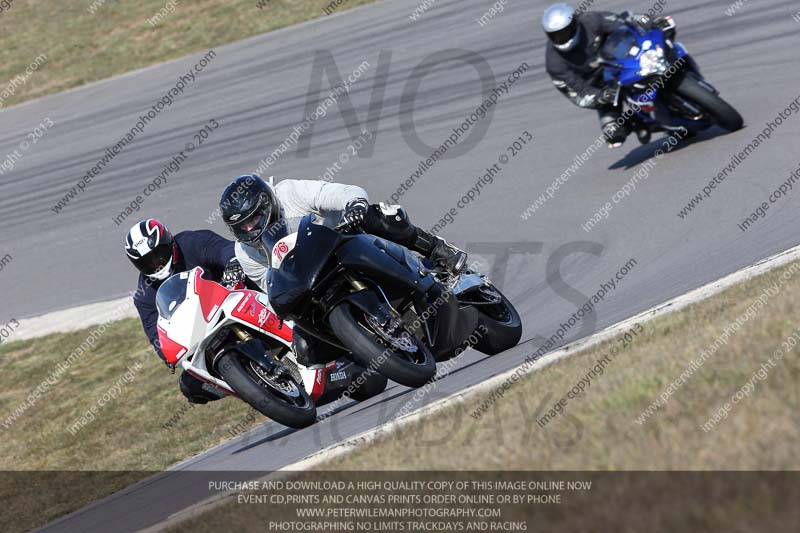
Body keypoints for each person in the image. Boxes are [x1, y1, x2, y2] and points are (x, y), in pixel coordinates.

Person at [217, 175, 468, 365]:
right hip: (312, 285)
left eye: (254, 219)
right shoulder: (244, 251)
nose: (250, 229)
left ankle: (437, 251)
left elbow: (341, 192)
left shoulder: (288, 192)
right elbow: (270, 287)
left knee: (380, 214)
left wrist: (354, 206)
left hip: (344, 243)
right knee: (304, 350)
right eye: (242, 226)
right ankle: (355, 362)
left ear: (267, 203)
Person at [125, 218, 245, 403]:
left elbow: (224, 249)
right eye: (147, 262)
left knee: (263, 278)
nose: (156, 263)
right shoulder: (144, 296)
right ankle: (249, 388)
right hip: (203, 336)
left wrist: (233, 263)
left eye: (159, 255)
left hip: (234, 299)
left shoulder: (192, 241)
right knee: (191, 386)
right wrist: (167, 353)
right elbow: (155, 333)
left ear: (169, 243)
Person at [542, 3, 675, 148]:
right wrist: (600, 96)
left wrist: (653, 21)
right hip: (603, 87)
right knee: (613, 135)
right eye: (555, 35)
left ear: (575, 23)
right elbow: (577, 93)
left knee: (665, 47)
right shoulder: (554, 63)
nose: (562, 37)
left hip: (624, 62)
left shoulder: (591, 20)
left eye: (565, 32)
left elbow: (626, 22)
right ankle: (636, 121)